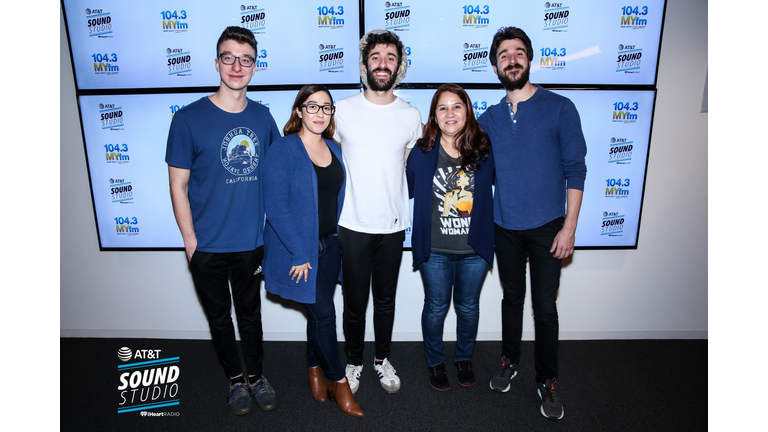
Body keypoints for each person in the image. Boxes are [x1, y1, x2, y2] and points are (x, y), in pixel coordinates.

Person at [165, 26, 280, 416]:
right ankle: (235, 380)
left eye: (246, 59)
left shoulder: (263, 119)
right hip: (207, 247)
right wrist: (190, 241)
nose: (237, 66)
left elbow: (279, 174)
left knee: (250, 315)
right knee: (219, 318)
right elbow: (178, 186)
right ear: (217, 63)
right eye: (229, 57)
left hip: (250, 243)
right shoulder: (187, 119)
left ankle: (257, 376)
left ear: (254, 67)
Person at [478, 26, 587, 420]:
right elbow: (465, 159)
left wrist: (569, 227)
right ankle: (510, 362)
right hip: (504, 227)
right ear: (495, 66)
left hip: (548, 227)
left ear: (530, 59)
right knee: (511, 299)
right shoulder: (488, 118)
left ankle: (548, 380)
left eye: (519, 52)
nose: (512, 59)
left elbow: (576, 170)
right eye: (504, 54)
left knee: (545, 308)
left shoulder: (560, 107)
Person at [262, 85, 363, 417]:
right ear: (299, 111)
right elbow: (276, 208)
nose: (320, 113)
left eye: (326, 108)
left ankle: (313, 368)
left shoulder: (333, 147)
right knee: (324, 316)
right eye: (313, 106)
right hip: (300, 253)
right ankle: (339, 381)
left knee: (318, 315)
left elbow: (334, 198)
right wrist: (299, 253)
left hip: (330, 247)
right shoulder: (284, 149)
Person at [333, 29, 423, 395]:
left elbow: (406, 167)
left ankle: (381, 359)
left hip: (393, 226)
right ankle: (353, 362)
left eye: (390, 57)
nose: (382, 64)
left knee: (386, 301)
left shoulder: (411, 115)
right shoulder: (340, 110)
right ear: (364, 65)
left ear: (399, 66)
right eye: (376, 57)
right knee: (354, 304)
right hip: (351, 225)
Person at [406, 84, 495, 391]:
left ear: (467, 110)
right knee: (435, 307)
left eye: (456, 106)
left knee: (468, 307)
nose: (450, 113)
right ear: (434, 116)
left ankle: (463, 358)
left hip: (474, 249)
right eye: (442, 108)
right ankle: (435, 362)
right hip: (436, 250)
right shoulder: (422, 151)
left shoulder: (484, 148)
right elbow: (405, 186)